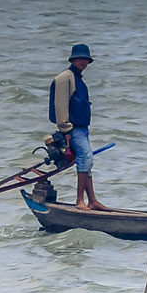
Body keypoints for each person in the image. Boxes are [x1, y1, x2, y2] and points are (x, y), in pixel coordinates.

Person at [49, 43, 110, 211]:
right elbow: (61, 106)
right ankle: (79, 201)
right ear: (73, 59)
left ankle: (92, 200)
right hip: (73, 129)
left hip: (82, 128)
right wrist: (66, 129)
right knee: (85, 159)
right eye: (80, 59)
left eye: (86, 59)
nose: (83, 62)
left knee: (87, 161)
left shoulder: (77, 78)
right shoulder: (65, 77)